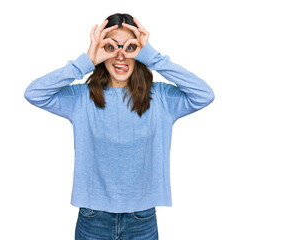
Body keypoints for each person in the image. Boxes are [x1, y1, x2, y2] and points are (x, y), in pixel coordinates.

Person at [24, 13, 214, 240]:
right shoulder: (81, 98)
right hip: (93, 218)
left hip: (141, 219)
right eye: (110, 47)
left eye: (130, 47)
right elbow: (34, 93)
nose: (120, 55)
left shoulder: (162, 98)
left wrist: (153, 57)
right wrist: (86, 60)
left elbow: (204, 95)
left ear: (140, 51)